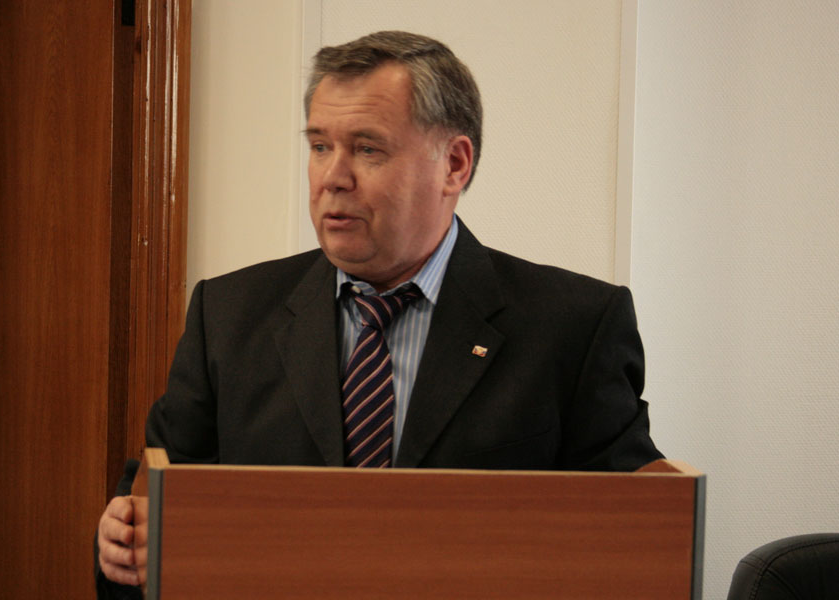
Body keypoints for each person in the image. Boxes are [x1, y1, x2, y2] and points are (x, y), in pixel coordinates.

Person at [96, 30, 663, 594]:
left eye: (368, 149)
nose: (332, 178)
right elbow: (155, 505)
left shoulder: (575, 326)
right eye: (320, 146)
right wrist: (121, 546)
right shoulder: (228, 314)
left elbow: (639, 542)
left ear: (454, 165)